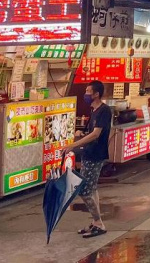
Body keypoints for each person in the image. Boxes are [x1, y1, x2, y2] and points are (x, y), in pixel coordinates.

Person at [64, 80, 112, 238]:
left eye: (88, 92)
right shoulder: (94, 110)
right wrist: (81, 134)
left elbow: (96, 134)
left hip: (95, 155)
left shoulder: (104, 110)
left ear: (96, 94)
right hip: (88, 153)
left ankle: (99, 223)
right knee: (92, 189)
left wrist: (73, 145)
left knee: (84, 190)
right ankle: (96, 222)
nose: (85, 94)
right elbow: (91, 132)